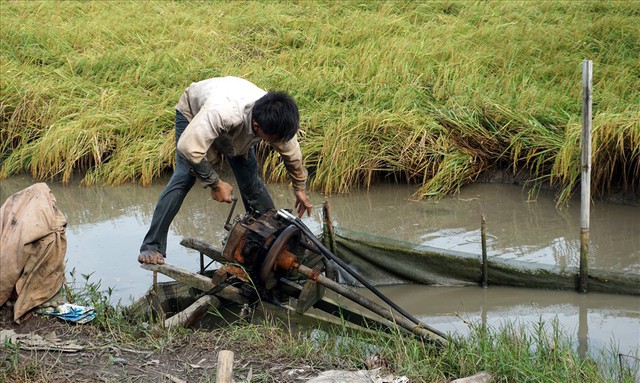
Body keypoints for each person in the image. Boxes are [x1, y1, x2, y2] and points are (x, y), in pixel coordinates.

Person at [138, 76, 312, 265]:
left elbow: (292, 155)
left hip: (237, 125)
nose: (275, 143)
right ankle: (152, 245)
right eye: (272, 139)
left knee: (250, 182)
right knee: (184, 177)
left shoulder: (278, 121)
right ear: (257, 127)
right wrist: (215, 183)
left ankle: (270, 239)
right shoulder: (223, 112)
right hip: (194, 114)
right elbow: (188, 147)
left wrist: (300, 188)